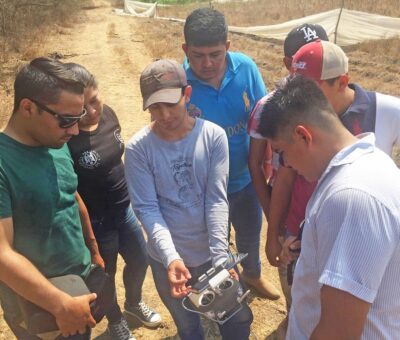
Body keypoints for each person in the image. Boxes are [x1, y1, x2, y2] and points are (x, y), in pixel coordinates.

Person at [257, 74, 400, 339]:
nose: (285, 164)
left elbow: (338, 333)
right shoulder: (369, 163)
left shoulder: (352, 196)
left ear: (303, 136)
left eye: (282, 152)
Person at [124, 59, 253, 340]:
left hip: (211, 254)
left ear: (187, 94)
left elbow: (216, 200)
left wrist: (221, 260)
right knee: (188, 327)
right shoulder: (138, 149)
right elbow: (147, 208)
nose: (165, 114)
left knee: (237, 321)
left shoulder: (212, 136)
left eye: (171, 103)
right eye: (155, 107)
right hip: (167, 260)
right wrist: (172, 258)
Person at [0, 57, 102, 339]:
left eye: (78, 118)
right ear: (28, 107)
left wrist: (93, 249)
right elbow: (1, 253)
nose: (75, 131)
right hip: (39, 308)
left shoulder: (55, 140)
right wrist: (61, 306)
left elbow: (69, 195)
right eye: (67, 120)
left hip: (78, 289)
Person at [182, 7, 280, 300]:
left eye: (215, 53)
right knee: (216, 243)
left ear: (227, 45)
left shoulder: (246, 68)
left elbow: (264, 117)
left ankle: (252, 275)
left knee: (250, 233)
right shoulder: (179, 83)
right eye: (198, 55)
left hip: (247, 178)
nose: (207, 63)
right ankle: (223, 292)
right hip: (207, 187)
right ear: (185, 49)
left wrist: (266, 164)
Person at [66, 63, 161, 334]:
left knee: (141, 260)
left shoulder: (108, 115)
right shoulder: (67, 137)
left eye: (94, 100)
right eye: (82, 108)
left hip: (124, 210)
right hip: (97, 221)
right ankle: (116, 320)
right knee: (105, 277)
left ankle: (133, 303)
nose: (92, 111)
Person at [248, 23, 329, 313]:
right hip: (290, 214)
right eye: (302, 58)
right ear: (288, 63)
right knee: (295, 288)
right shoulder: (268, 107)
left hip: (329, 215)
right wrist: (274, 224)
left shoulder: (338, 104)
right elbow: (258, 165)